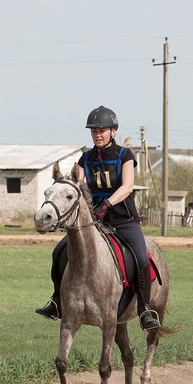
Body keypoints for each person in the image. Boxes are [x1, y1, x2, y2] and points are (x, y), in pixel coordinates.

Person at [35, 105, 162, 330]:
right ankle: (57, 301)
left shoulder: (125, 155)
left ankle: (144, 309)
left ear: (113, 131)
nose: (98, 134)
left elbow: (128, 186)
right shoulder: (86, 158)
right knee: (59, 252)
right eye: (94, 131)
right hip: (95, 223)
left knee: (142, 257)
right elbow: (77, 184)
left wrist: (108, 203)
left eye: (102, 130)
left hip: (124, 221)